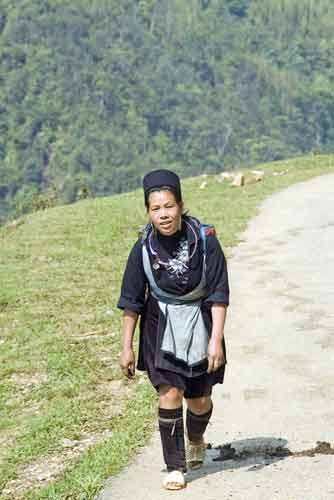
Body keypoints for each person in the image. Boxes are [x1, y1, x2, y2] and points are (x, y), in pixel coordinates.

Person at [118, 169, 229, 490]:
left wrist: (216, 340)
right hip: (159, 326)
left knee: (199, 400)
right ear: (148, 212)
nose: (164, 214)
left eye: (169, 206)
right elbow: (131, 301)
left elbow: (219, 293)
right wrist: (126, 346)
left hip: (201, 324)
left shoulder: (206, 242)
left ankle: (196, 436)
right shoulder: (142, 249)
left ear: (180, 205)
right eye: (156, 208)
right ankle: (174, 466)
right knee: (169, 392)